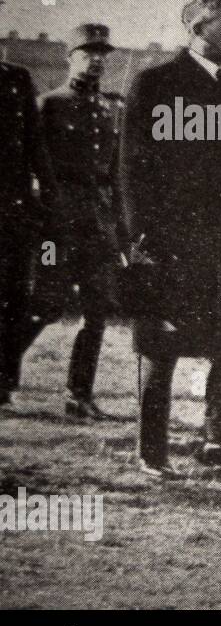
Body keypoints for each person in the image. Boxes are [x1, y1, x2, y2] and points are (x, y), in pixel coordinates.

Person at [118, 0, 221, 479]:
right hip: (172, 242)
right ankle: (153, 451)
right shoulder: (155, 84)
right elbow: (131, 167)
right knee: (161, 344)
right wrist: (140, 238)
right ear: (197, 28)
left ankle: (220, 441)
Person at [5, 24, 124, 420]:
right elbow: (31, 163)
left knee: (96, 310)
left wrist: (119, 228)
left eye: (102, 54)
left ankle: (79, 395)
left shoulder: (111, 108)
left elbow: (115, 172)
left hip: (98, 223)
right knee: (46, 304)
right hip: (56, 225)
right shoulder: (47, 104)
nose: (96, 60)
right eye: (87, 53)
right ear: (69, 57)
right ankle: (2, 379)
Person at [0, 56, 53, 410]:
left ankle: (2, 386)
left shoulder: (17, 77)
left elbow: (34, 141)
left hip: (13, 208)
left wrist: (49, 195)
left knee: (13, 297)